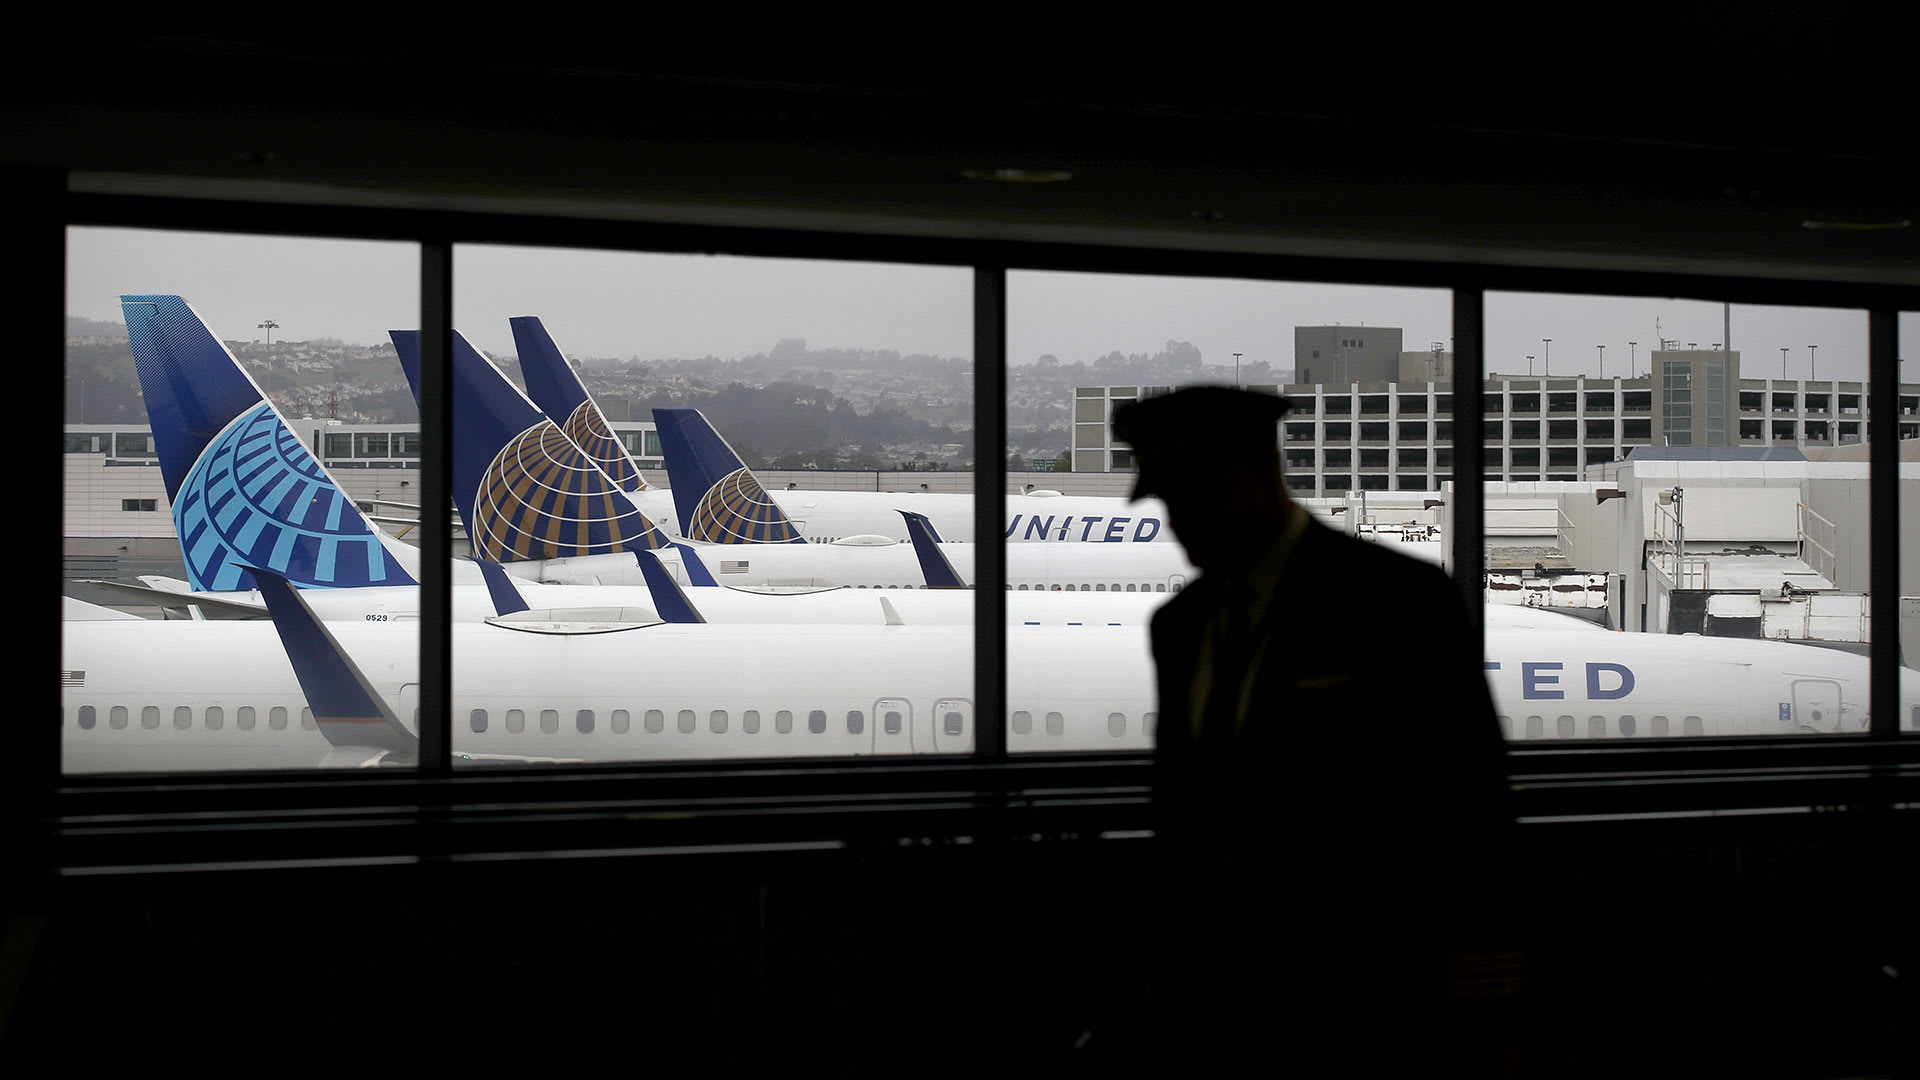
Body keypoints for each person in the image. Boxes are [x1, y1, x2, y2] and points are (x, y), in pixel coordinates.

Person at [1108, 385, 1509, 1071]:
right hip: (1220, 1000)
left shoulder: (1396, 602)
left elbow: (1471, 808)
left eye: (1187, 496)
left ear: (1251, 477)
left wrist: (1483, 1003)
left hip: (1364, 995)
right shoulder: (1180, 627)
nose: (1174, 523)